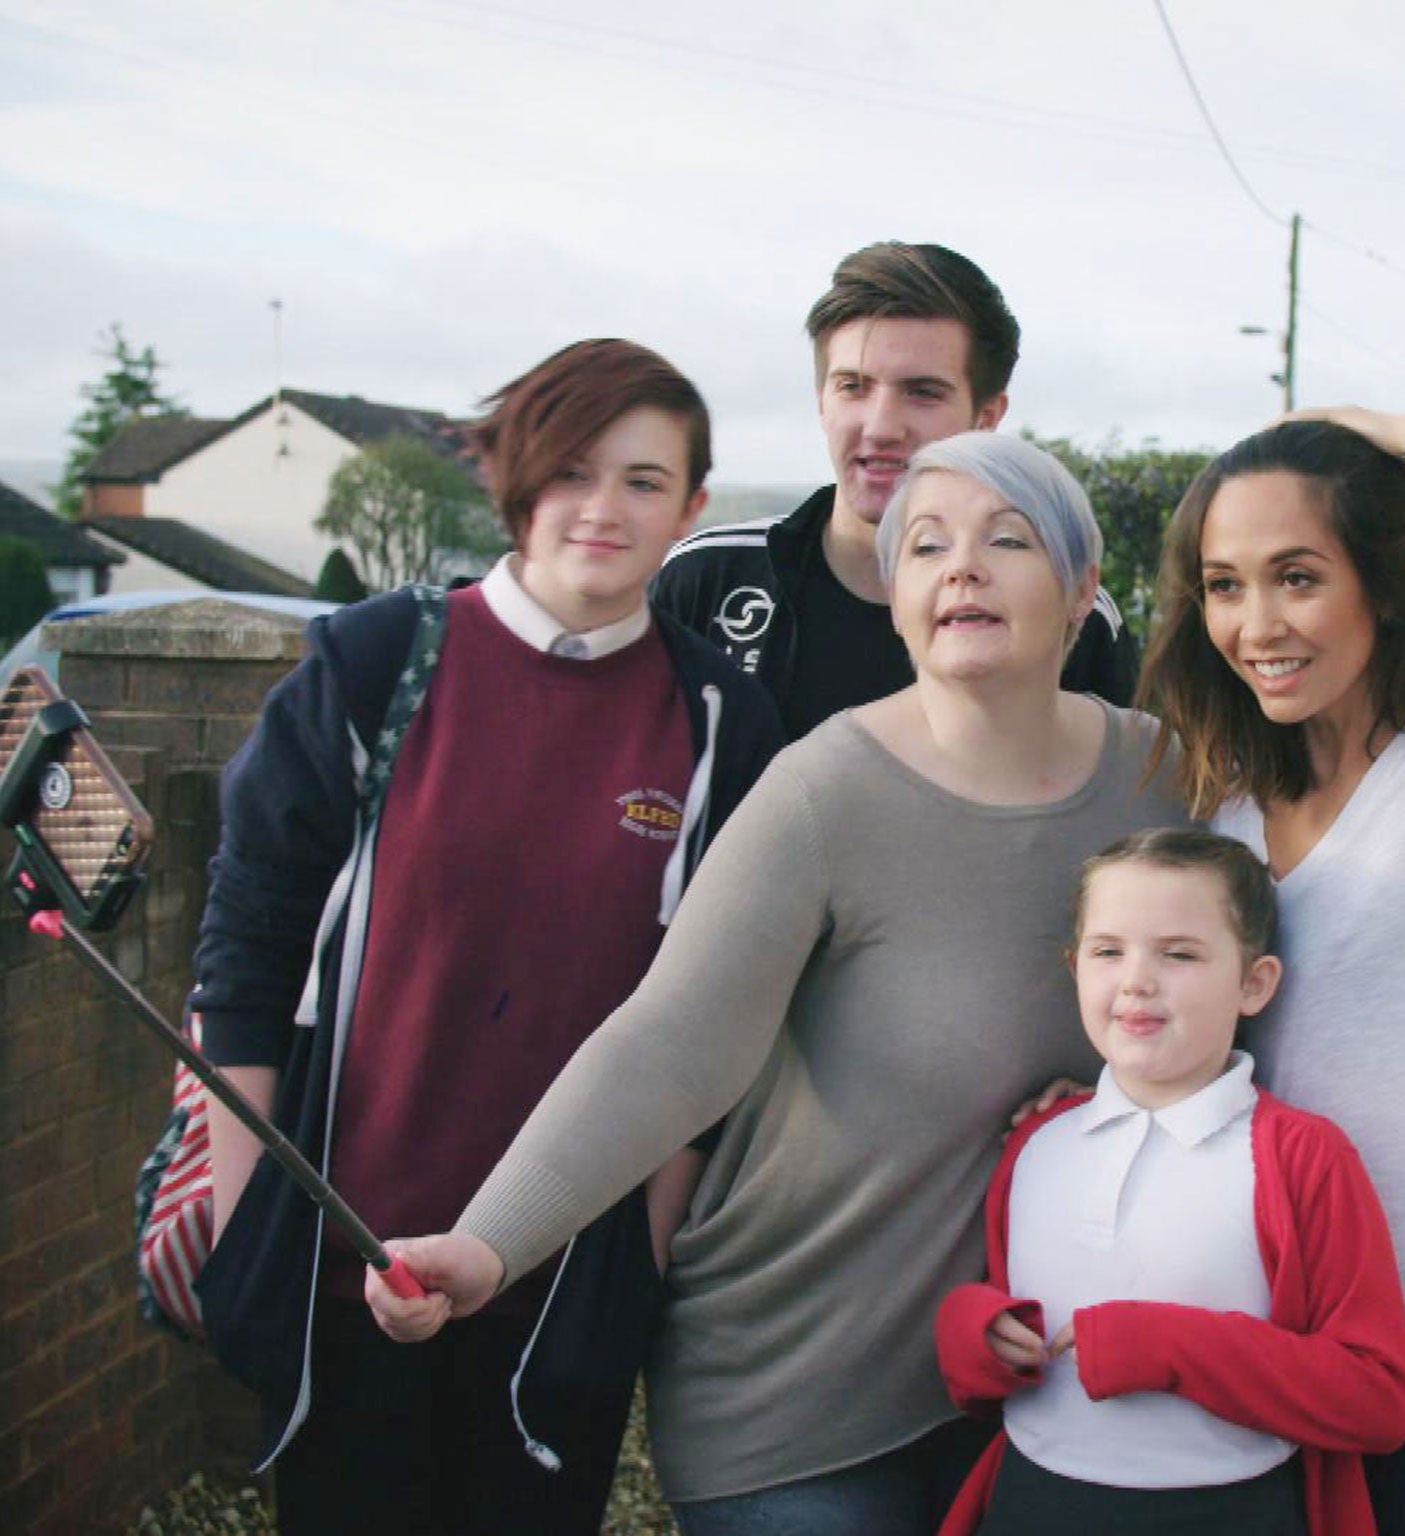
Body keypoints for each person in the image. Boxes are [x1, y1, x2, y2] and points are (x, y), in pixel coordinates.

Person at [367, 432, 1191, 1536]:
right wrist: (487, 1244)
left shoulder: (1165, 784)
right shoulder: (824, 790)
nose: (961, 567)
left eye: (1008, 539)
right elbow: (669, 1043)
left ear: (1084, 590)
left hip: (1041, 1383)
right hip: (794, 1387)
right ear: (895, 597)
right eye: (926, 546)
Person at [186, 339, 784, 1536]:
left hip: (562, 1288)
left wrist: (638, 1260)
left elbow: (720, 1020)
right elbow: (246, 953)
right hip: (349, 1255)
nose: (601, 509)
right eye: (568, 471)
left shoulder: (723, 715)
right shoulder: (372, 663)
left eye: (642, 480)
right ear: (514, 482)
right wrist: (255, 1227)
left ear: (693, 509)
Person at [1142, 409, 1405, 1536]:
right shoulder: (1223, 807)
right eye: (1224, 586)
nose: (1255, 625)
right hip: (1251, 1352)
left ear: (1382, 584)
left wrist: (1398, 430)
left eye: (1296, 577)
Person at [934, 829, 1405, 1536]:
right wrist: (972, 1335)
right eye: (1107, 951)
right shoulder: (1036, 1142)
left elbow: (1377, 1397)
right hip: (1032, 1505)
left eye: (1180, 954)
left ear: (1255, 983)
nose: (1135, 979)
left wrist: (1167, 1349)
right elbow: (1001, 1327)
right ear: (1075, 968)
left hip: (1225, 1512)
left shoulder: (1302, 1156)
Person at [651, 240, 1137, 736]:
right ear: (822, 402)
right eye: (853, 387)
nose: (881, 426)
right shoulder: (709, 579)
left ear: (987, 417)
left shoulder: (1065, 614)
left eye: (922, 392)